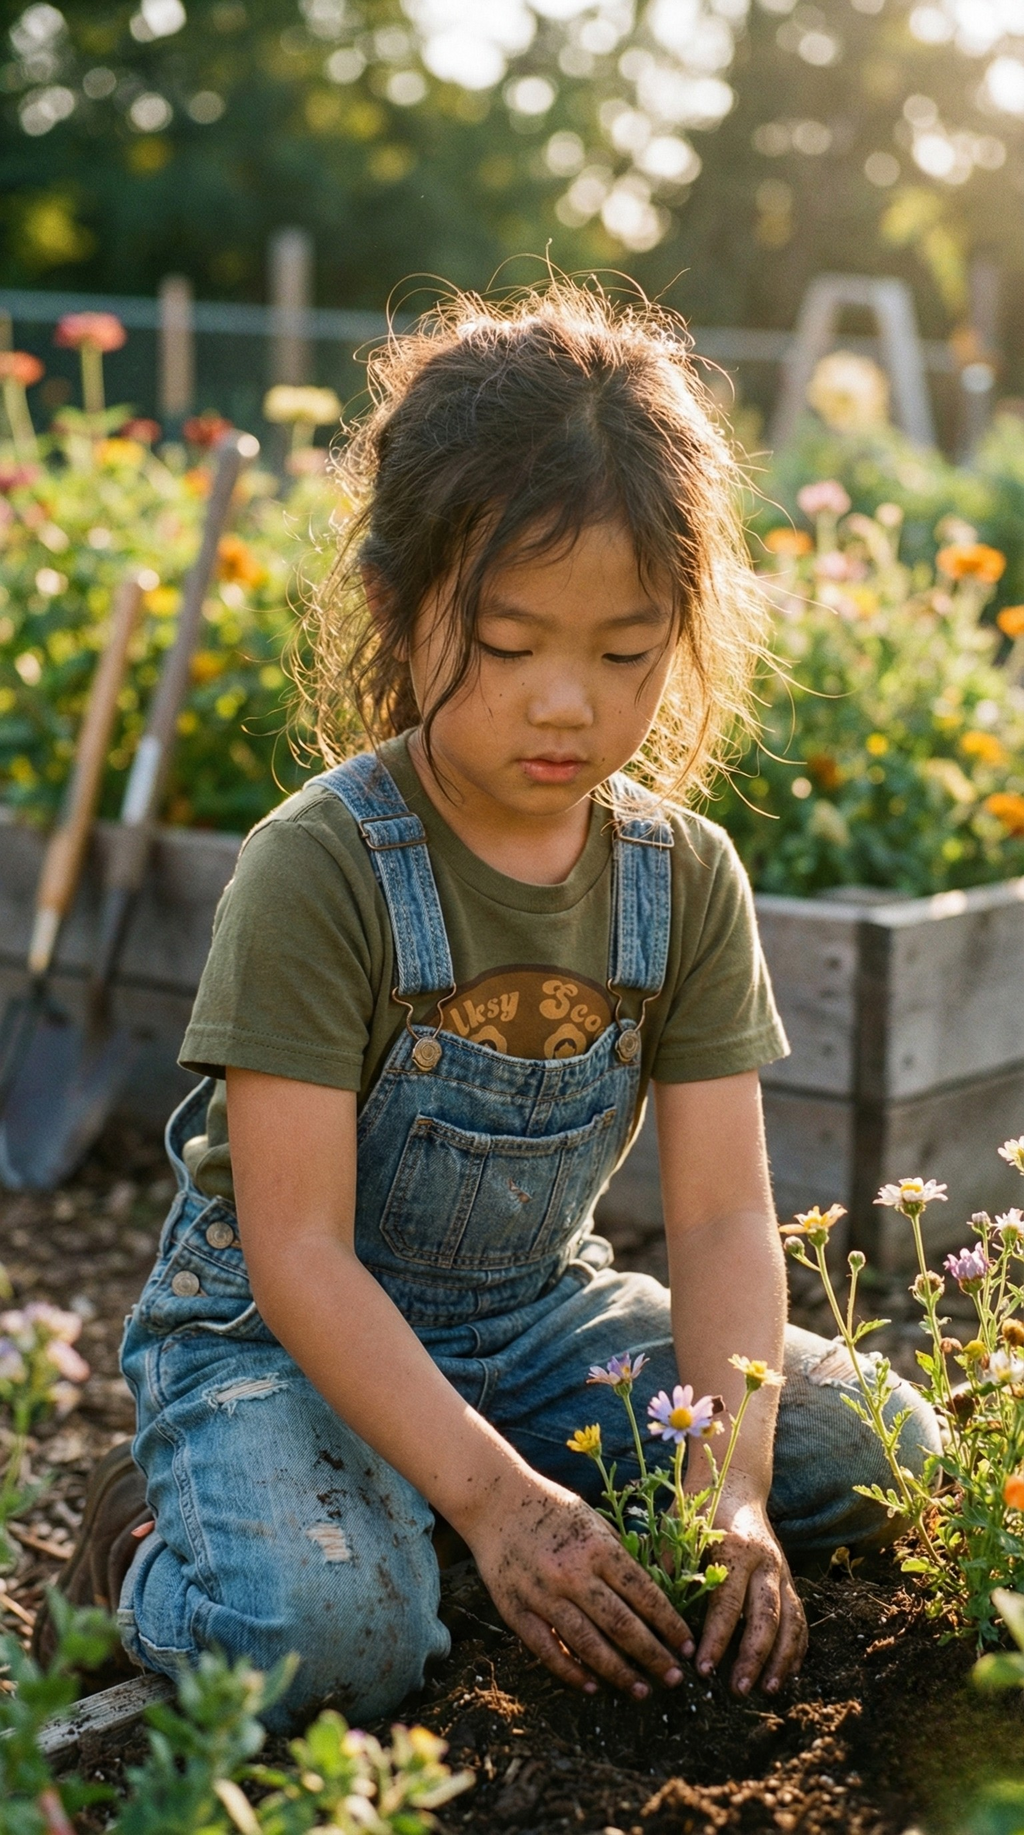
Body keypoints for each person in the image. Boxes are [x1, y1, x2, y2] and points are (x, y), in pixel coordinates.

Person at [41, 283, 939, 1729]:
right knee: (335, 1645)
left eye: (626, 652)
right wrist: (504, 1507)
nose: (567, 705)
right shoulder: (316, 869)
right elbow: (297, 1250)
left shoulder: (684, 878)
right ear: (401, 607)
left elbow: (716, 1221)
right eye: (511, 648)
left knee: (886, 1443)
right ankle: (156, 1546)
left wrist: (733, 1496)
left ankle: (420, 1514)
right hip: (283, 1338)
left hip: (535, 1325)